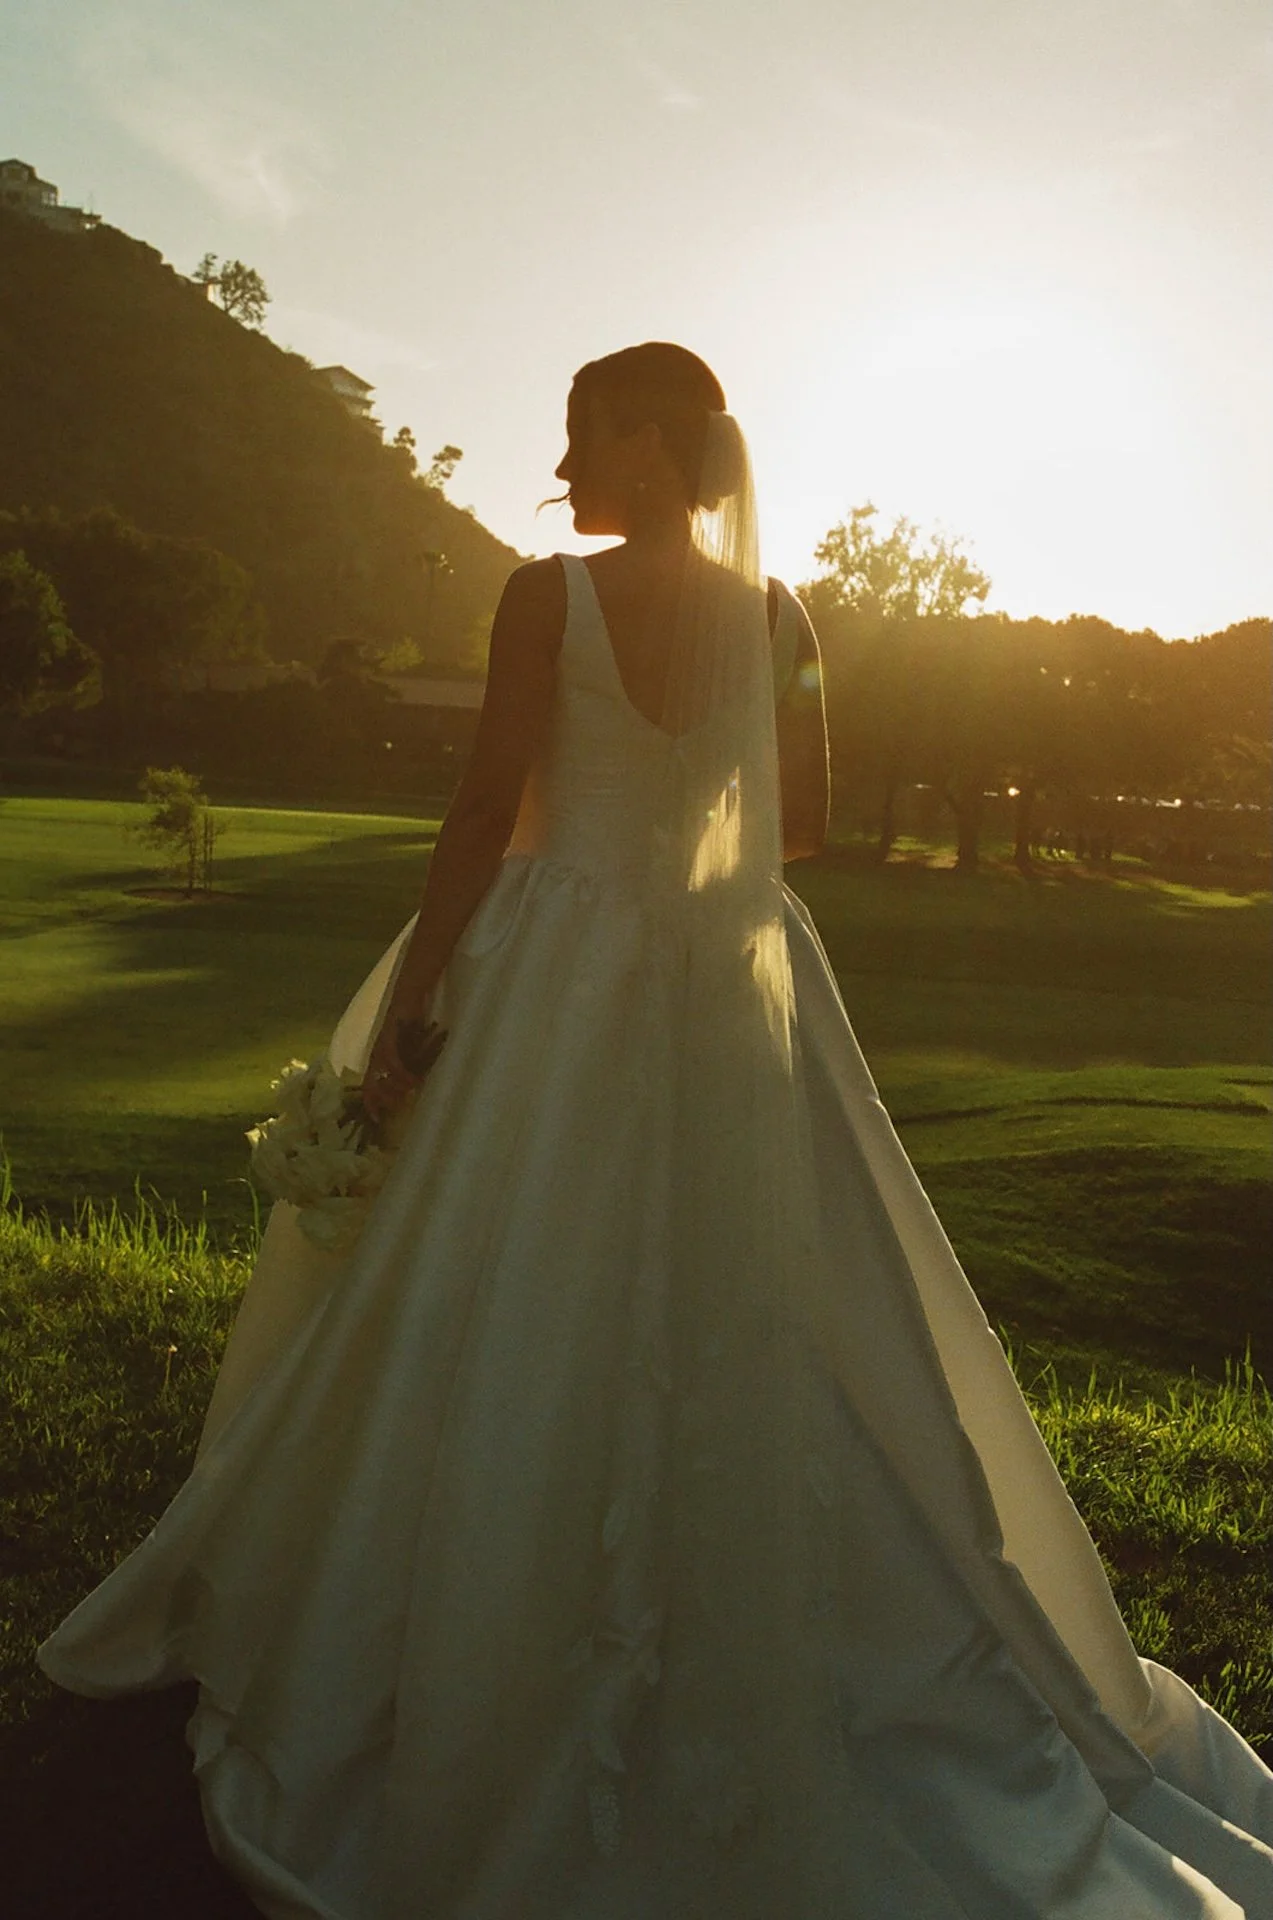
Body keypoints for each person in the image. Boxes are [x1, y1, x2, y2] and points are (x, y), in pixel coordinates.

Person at [38, 344, 1273, 1917]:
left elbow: (487, 804)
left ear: (644, 440)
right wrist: (690, 834)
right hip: (727, 971)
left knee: (502, 1272)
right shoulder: (782, 615)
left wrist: (423, 995)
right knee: (753, 1291)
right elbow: (806, 820)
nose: (565, 450)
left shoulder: (545, 598)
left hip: (555, 951)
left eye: (583, 425)